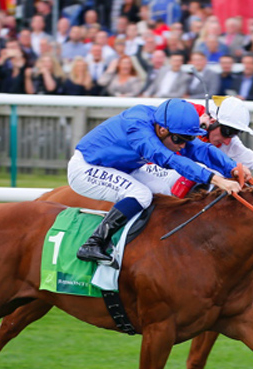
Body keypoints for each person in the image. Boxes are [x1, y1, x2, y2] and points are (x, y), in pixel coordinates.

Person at [68, 98, 242, 265]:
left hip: (121, 167)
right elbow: (170, 159)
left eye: (186, 139)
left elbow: (200, 149)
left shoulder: (166, 125)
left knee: (163, 191)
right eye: (179, 140)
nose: (183, 146)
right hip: (85, 167)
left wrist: (232, 168)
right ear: (162, 131)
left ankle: (152, 243)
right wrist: (216, 179)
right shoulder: (138, 130)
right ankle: (93, 243)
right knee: (140, 194)